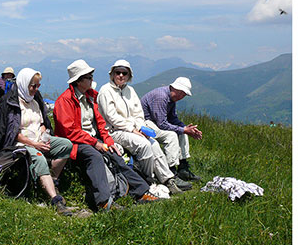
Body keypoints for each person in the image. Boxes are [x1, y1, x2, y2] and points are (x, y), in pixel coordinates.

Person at [53, 59, 158, 211]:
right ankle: (102, 201)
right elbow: (69, 132)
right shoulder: (64, 101)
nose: (92, 79)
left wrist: (109, 141)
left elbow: (101, 124)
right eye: (88, 77)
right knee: (94, 156)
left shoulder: (91, 96)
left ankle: (141, 191)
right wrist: (95, 143)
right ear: (79, 81)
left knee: (115, 156)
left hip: (93, 139)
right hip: (75, 143)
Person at [0, 68, 88, 217]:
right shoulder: (9, 103)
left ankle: (52, 180)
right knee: (39, 157)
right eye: (33, 86)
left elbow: (42, 122)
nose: (35, 89)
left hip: (38, 139)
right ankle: (55, 199)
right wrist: (34, 144)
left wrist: (43, 132)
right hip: (21, 144)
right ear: (23, 84)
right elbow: (11, 133)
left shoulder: (34, 100)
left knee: (66, 145)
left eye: (38, 86)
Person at [97, 60, 192, 194]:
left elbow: (138, 113)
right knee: (144, 145)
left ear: (129, 76)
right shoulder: (105, 91)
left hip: (133, 129)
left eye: (124, 73)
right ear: (112, 74)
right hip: (114, 131)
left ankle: (168, 180)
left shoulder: (130, 90)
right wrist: (133, 129)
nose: (120, 76)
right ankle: (148, 178)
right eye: (117, 72)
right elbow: (112, 117)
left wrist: (141, 128)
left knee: (153, 144)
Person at [140, 77, 202, 181]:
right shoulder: (161, 96)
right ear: (175, 88)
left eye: (184, 95)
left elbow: (172, 118)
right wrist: (183, 129)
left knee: (182, 132)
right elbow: (162, 124)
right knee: (172, 135)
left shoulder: (171, 98)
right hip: (145, 123)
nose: (182, 97)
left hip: (154, 122)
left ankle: (183, 167)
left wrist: (186, 128)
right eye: (181, 93)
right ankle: (171, 171)